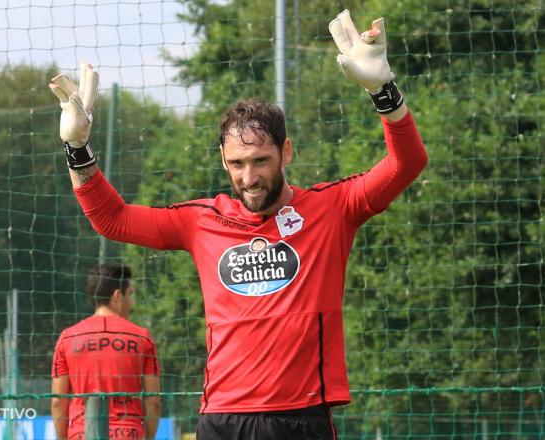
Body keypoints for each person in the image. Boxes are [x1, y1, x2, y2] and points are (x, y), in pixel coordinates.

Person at [49, 9, 428, 439]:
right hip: (222, 419)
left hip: (300, 417)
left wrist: (385, 92)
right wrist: (77, 148)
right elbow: (112, 219)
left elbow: (407, 163)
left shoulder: (333, 207)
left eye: (260, 161)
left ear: (286, 152)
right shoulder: (201, 221)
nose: (249, 178)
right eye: (237, 164)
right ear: (223, 161)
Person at [51, 264, 161, 440]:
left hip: (82, 434)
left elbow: (58, 403)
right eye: (130, 294)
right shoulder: (143, 338)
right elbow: (153, 402)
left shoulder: (67, 338)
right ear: (117, 296)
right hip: (129, 434)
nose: (131, 302)